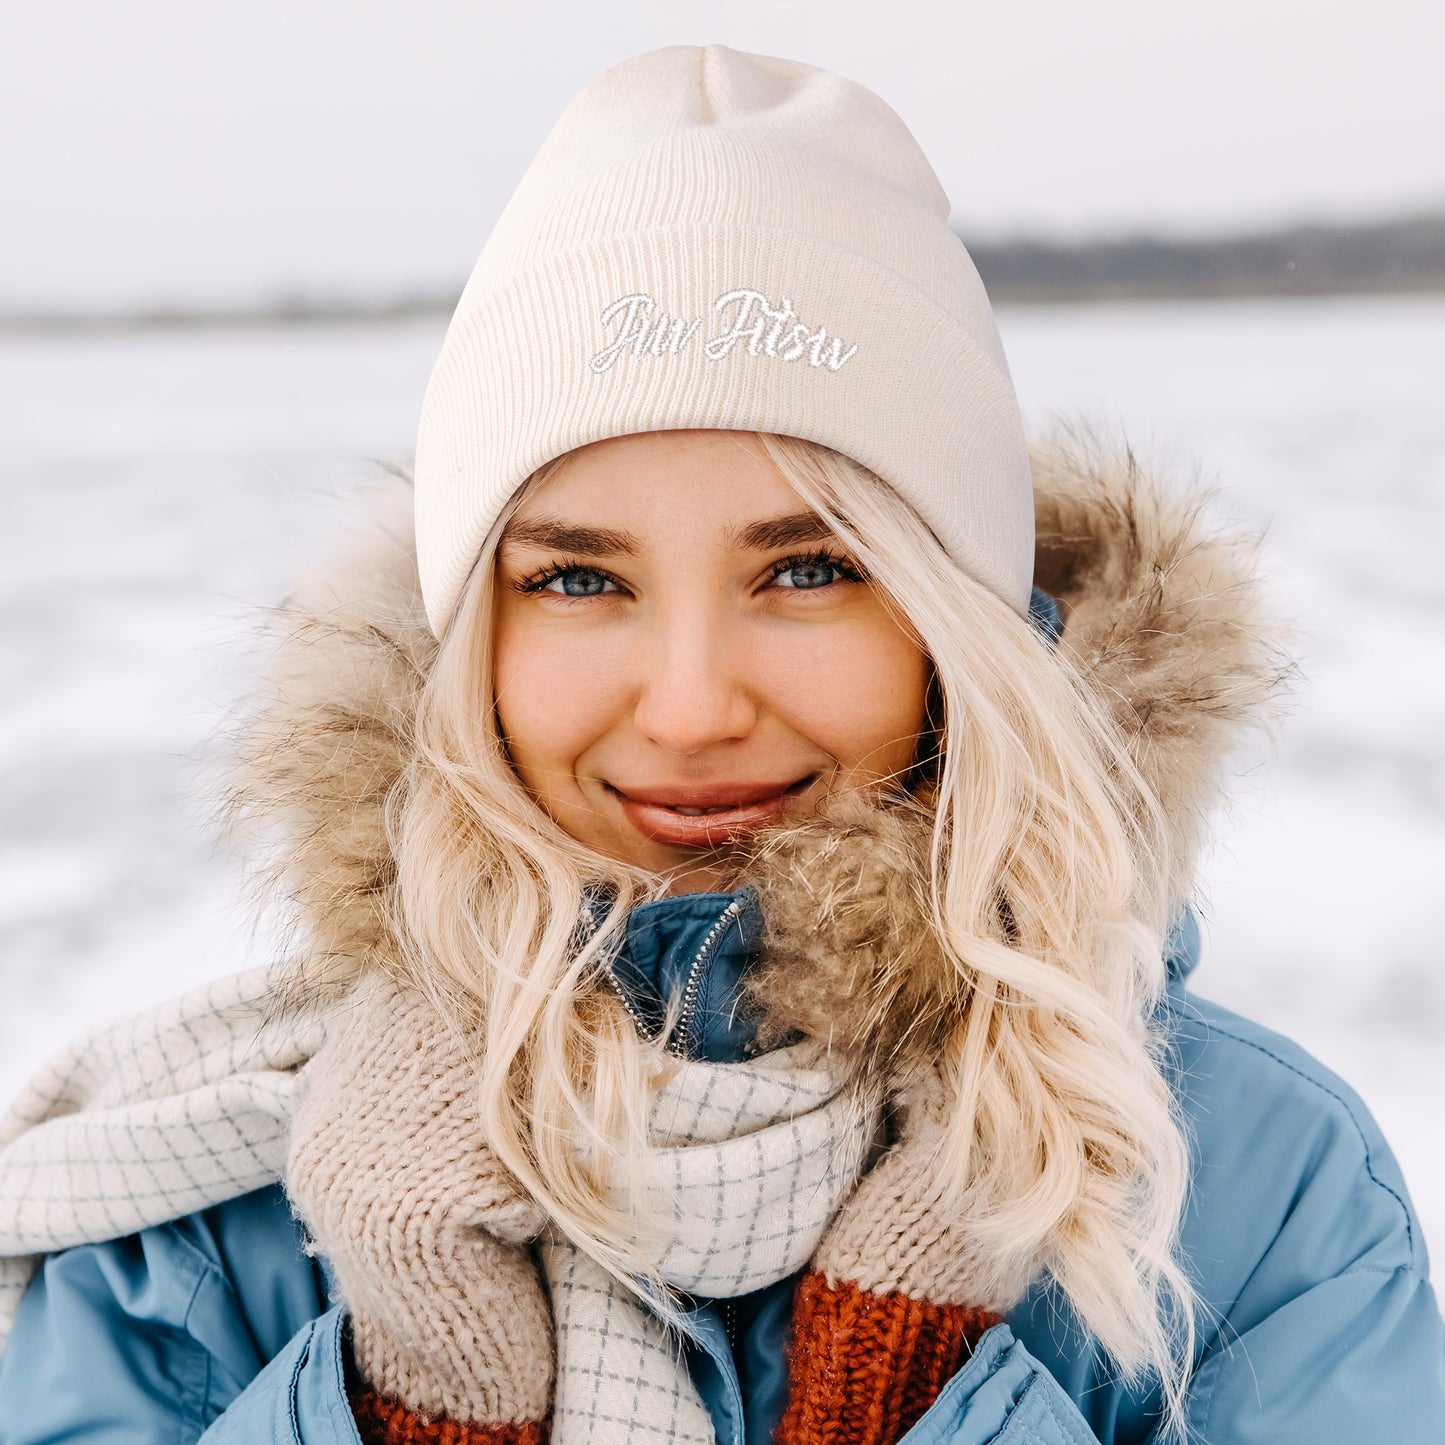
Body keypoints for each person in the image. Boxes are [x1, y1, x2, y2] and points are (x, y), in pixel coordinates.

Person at [0, 43, 1440, 1445]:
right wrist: (411, 1406)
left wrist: (906, 1385)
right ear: (465, 646)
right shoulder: (203, 1219)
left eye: (807, 569)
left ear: (957, 625)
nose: (689, 708)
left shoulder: (1246, 1197)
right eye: (576, 579)